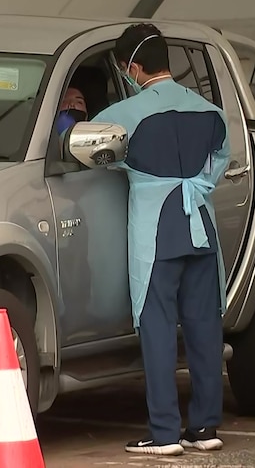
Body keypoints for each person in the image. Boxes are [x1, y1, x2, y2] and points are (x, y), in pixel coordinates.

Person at [90, 23, 231, 456]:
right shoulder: (210, 111)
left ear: (132, 67)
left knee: (156, 330)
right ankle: (205, 429)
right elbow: (220, 162)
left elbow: (86, 146)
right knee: (205, 328)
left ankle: (165, 432)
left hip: (156, 232)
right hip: (200, 226)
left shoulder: (125, 114)